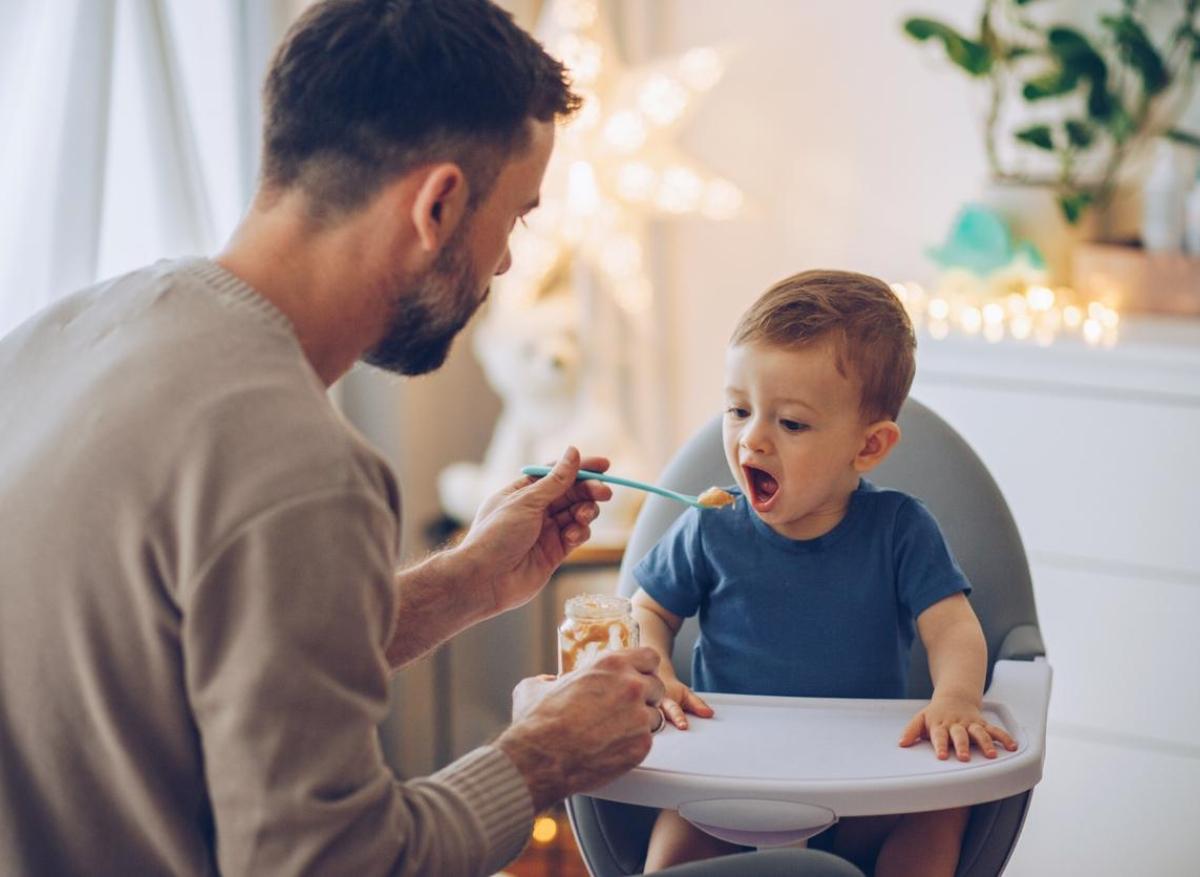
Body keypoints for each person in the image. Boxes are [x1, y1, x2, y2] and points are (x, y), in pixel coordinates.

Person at [0, 1, 669, 875]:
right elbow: (324, 862)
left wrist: (466, 582)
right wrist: (541, 755)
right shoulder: (301, 467)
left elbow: (188, 656)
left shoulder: (61, 334)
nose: (506, 264)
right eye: (518, 217)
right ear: (440, 204)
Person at [630, 270, 1019, 876]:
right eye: (738, 410)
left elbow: (953, 628)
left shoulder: (899, 529)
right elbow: (649, 608)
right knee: (674, 847)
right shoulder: (711, 526)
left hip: (867, 786)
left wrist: (957, 698)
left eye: (791, 423)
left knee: (941, 812)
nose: (750, 439)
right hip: (727, 786)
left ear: (867, 447)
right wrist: (653, 661)